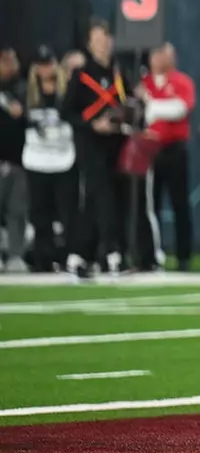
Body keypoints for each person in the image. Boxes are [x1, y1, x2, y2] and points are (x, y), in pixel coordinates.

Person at [62, 21, 132, 277]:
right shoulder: (81, 75)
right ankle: (112, 253)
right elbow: (66, 112)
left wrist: (128, 115)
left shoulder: (118, 74)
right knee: (103, 197)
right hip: (89, 145)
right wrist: (92, 125)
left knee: (98, 200)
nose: (104, 42)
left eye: (106, 37)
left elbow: (127, 104)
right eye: (98, 38)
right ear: (90, 43)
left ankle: (80, 255)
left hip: (116, 144)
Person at [139, 43, 197, 271]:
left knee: (179, 202)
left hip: (174, 148)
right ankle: (151, 252)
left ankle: (184, 254)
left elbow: (181, 108)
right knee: (149, 203)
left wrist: (152, 106)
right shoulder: (143, 83)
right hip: (148, 149)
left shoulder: (182, 81)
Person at [20, 47, 75, 273]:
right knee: (39, 212)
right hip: (36, 159)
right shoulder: (26, 92)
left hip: (63, 159)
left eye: (49, 63)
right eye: (41, 64)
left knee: (66, 212)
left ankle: (67, 256)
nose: (45, 69)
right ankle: (44, 257)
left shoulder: (67, 91)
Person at [0, 47, 26, 271]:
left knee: (17, 210)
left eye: (13, 60)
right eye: (6, 60)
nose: (11, 65)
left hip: (18, 159)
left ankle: (16, 255)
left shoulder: (23, 88)